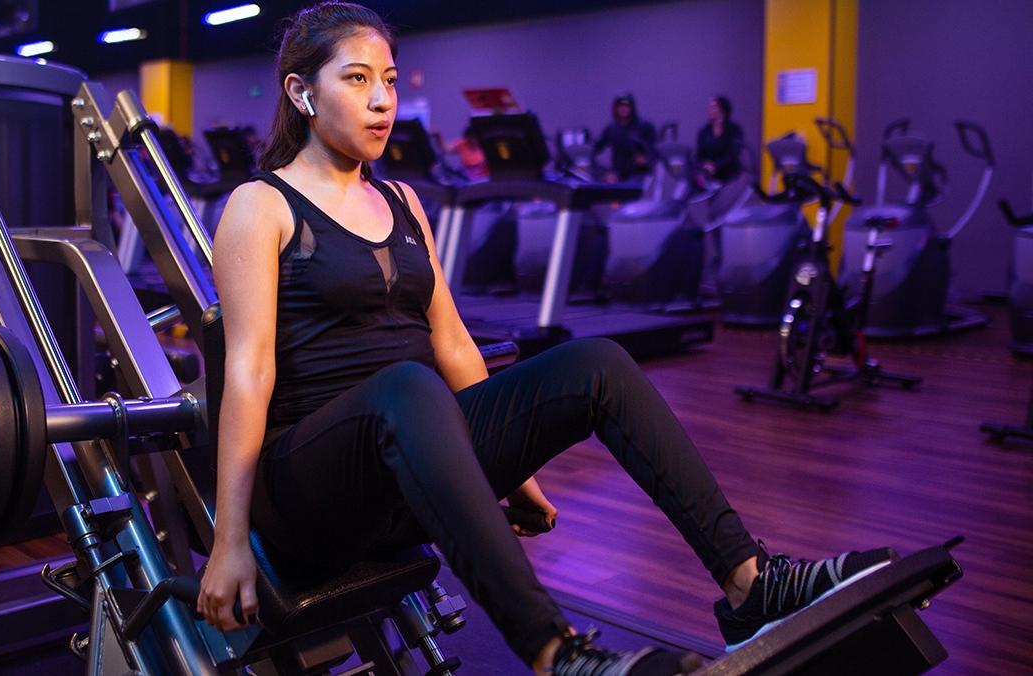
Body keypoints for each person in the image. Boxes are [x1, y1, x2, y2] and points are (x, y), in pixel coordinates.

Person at [197, 3, 895, 674]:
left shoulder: (404, 202)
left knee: (598, 362)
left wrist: (510, 465)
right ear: (301, 92)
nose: (383, 100)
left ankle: (750, 581)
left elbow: (454, 345)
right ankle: (556, 653)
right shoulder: (262, 206)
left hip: (406, 468)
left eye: (388, 79)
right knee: (407, 390)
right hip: (311, 490)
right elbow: (248, 372)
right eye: (356, 79)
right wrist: (230, 541)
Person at [592, 93, 658, 181]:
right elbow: (595, 148)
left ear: (632, 108)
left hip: (639, 173)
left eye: (626, 106)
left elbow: (655, 148)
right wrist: (604, 173)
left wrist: (646, 158)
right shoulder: (611, 128)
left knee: (632, 187)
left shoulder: (644, 126)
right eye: (620, 106)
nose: (623, 109)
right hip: (617, 174)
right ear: (615, 109)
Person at [696, 96, 744, 186]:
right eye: (710, 107)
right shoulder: (704, 131)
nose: (709, 110)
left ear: (722, 110)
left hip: (729, 174)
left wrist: (716, 165)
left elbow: (733, 153)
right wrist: (704, 165)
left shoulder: (734, 130)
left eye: (714, 107)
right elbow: (699, 154)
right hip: (709, 174)